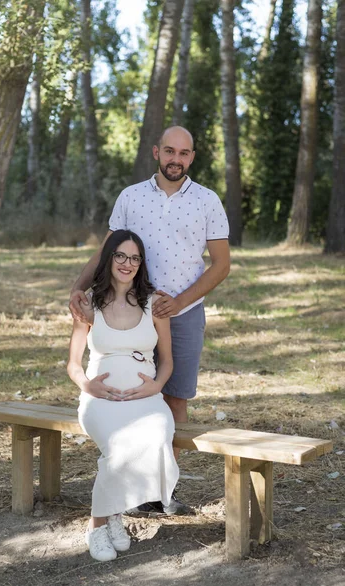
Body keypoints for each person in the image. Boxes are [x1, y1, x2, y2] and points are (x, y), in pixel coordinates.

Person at [69, 125, 230, 514]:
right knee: (130, 393)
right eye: (170, 151)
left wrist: (179, 302)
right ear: (157, 153)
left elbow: (221, 265)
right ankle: (129, 488)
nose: (177, 159)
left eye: (185, 153)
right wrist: (78, 286)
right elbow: (107, 252)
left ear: (192, 157)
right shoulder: (131, 197)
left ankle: (161, 492)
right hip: (131, 311)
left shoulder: (208, 201)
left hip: (183, 314)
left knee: (173, 398)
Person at [67, 229, 179, 562]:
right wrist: (88, 386)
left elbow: (168, 361)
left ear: (141, 264)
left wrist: (156, 386)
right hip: (101, 398)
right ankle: (98, 524)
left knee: (158, 433)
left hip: (145, 398)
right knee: (118, 446)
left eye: (134, 258)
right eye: (120, 256)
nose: (127, 263)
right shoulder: (89, 305)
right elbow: (73, 365)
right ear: (109, 258)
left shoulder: (154, 304)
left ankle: (110, 514)